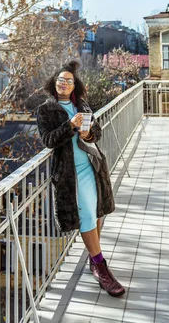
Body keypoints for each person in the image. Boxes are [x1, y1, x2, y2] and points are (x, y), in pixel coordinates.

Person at [37, 60, 125, 297]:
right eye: (60, 80)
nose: (64, 83)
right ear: (53, 84)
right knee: (86, 213)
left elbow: (97, 132)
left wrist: (87, 132)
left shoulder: (82, 105)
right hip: (69, 173)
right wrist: (69, 126)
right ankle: (101, 267)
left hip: (91, 165)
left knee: (96, 211)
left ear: (75, 85)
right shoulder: (46, 110)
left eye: (69, 81)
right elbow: (48, 141)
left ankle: (93, 259)